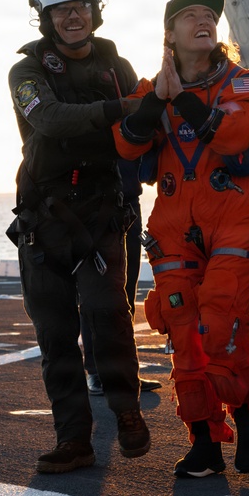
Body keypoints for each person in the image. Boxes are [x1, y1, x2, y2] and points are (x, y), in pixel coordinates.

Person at [113, 0, 249, 478]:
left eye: (210, 15)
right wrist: (157, 98)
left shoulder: (244, 81)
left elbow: (235, 136)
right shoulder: (150, 89)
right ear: (170, 35)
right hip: (173, 228)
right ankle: (204, 441)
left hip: (235, 219)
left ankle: (248, 418)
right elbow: (125, 141)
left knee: (220, 323)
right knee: (184, 335)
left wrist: (177, 96)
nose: (203, 20)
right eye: (190, 16)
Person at [7, 0, 150, 473]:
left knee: (109, 313)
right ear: (46, 18)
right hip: (44, 217)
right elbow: (46, 118)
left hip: (103, 209)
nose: (73, 15)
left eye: (81, 7)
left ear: (95, 11)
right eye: (62, 10)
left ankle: (127, 410)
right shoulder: (26, 73)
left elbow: (147, 125)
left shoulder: (119, 67)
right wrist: (118, 108)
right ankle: (75, 440)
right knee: (55, 333)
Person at [82, 162, 162, 396]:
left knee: (126, 291)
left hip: (128, 204)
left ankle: (126, 371)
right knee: (93, 291)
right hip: (95, 205)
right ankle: (96, 372)